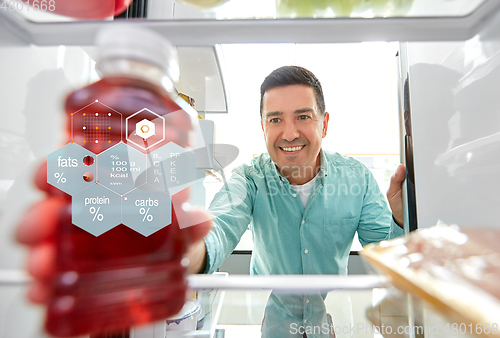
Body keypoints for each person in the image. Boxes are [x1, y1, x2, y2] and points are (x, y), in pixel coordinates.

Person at [16, 65, 406, 336]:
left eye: (302, 116)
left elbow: (386, 253)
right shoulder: (250, 179)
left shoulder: (355, 178)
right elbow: (217, 230)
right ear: (262, 127)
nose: (289, 133)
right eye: (275, 119)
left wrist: (403, 222)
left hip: (333, 318)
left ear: (323, 122)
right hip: (270, 323)